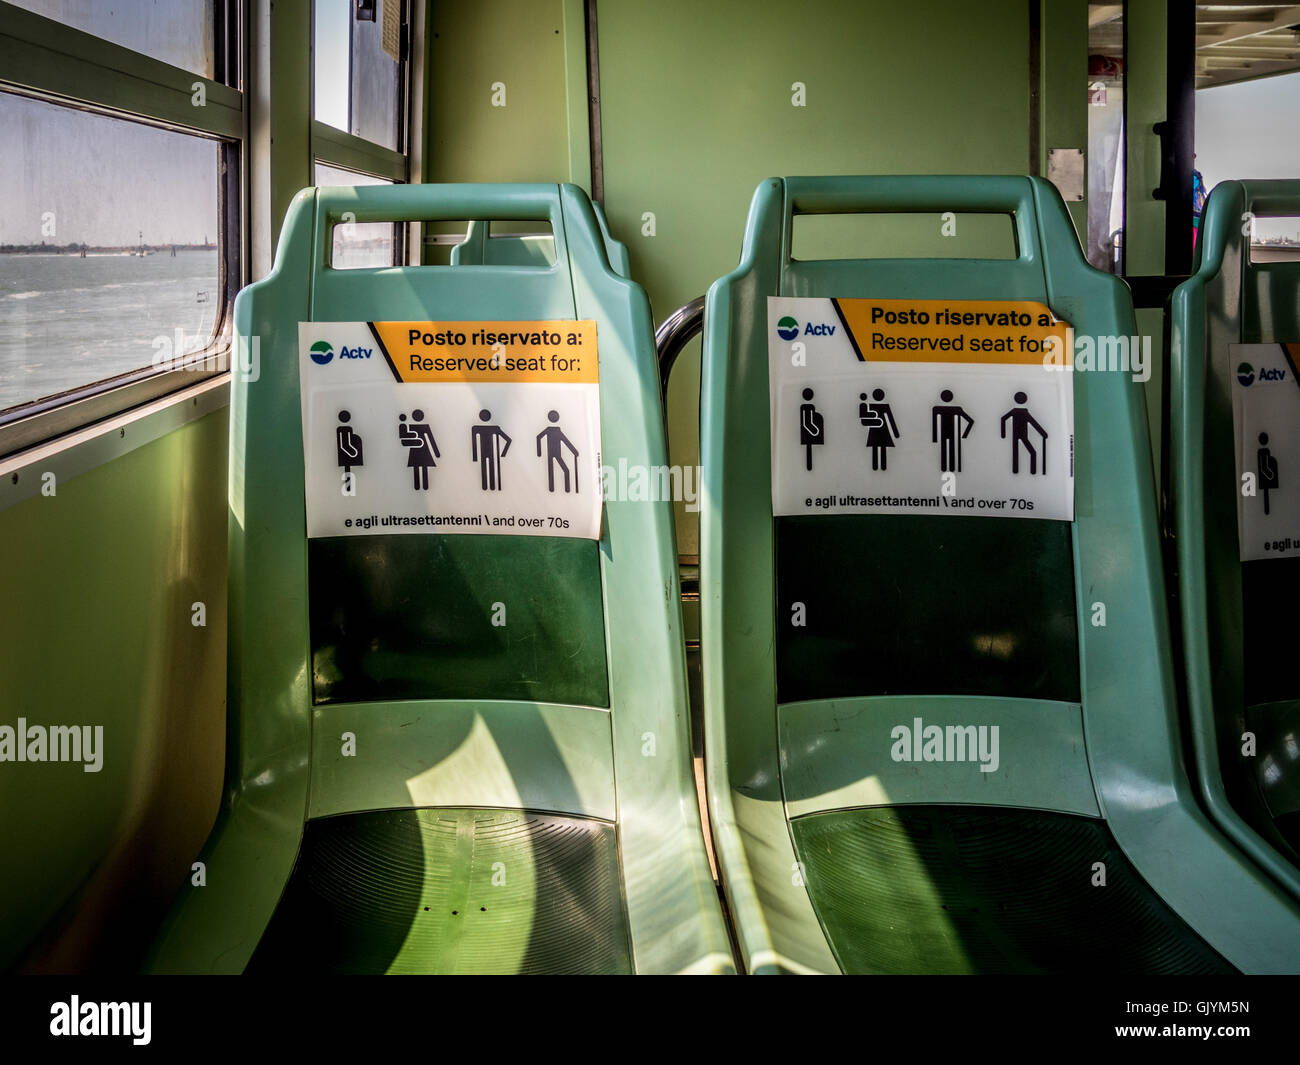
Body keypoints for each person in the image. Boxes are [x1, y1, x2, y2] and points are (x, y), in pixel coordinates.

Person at [1000, 391, 1048, 475]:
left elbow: (1003, 418)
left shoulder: (1015, 411)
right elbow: (1034, 423)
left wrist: (1003, 434)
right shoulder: (1023, 413)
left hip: (1017, 435)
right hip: (1022, 435)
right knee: (1032, 452)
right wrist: (1043, 433)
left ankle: (1016, 470)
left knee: (1016, 452)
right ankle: (1032, 471)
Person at [536, 410, 580, 493]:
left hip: (555, 453)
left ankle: (564, 489)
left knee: (562, 470)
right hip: (553, 453)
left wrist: (574, 451)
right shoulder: (551, 430)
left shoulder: (555, 430)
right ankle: (554, 489)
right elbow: (539, 437)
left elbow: (566, 441)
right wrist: (539, 453)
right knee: (555, 471)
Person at [931, 389, 974, 473]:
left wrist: (965, 434)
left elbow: (970, 421)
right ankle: (948, 468)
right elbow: (970, 421)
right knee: (947, 449)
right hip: (949, 433)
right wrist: (935, 437)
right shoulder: (939, 409)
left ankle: (949, 468)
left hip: (949, 433)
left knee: (949, 449)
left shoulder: (938, 409)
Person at [471, 409, 512, 491]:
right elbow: (474, 442)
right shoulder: (477, 428)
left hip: (489, 453)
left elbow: (508, 440)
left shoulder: (477, 428)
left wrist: (503, 453)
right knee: (486, 469)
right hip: (487, 453)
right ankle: (488, 486)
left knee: (488, 468)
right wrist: (475, 456)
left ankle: (490, 486)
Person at [860, 388, 900, 471]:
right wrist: (896, 433)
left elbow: (890, 419)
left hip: (874, 430)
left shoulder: (871, 406)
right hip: (883, 429)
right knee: (882, 447)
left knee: (875, 447)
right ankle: (883, 466)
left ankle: (875, 466)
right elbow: (890, 419)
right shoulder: (884, 406)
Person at [399, 409, 439, 490]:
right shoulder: (423, 427)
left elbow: (430, 439)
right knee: (423, 467)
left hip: (415, 451)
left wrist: (436, 452)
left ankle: (418, 486)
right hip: (423, 449)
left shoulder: (412, 427)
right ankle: (424, 486)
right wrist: (436, 452)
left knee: (416, 467)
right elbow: (431, 439)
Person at [799, 387, 825, 472]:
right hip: (808, 432)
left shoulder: (806, 407)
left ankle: (809, 468)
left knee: (808, 450)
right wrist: (815, 431)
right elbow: (807, 422)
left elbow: (807, 421)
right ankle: (809, 468)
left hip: (808, 432)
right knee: (808, 450)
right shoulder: (808, 407)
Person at [336, 409, 363, 475]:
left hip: (348, 457)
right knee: (348, 473)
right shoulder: (344, 431)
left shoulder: (342, 430)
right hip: (348, 456)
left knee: (348, 473)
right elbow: (345, 447)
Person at [1258, 431, 1279, 516]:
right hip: (1266, 478)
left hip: (1265, 479)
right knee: (1266, 498)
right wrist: (1271, 475)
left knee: (1266, 498)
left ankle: (1267, 512)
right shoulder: (1264, 452)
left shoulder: (1263, 451)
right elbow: (1264, 468)